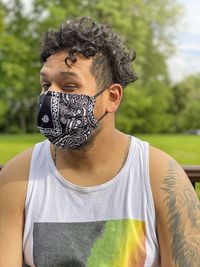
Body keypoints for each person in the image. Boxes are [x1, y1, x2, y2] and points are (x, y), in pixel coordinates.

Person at [0, 16, 199, 267]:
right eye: (45, 85)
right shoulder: (17, 178)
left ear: (112, 97)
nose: (50, 96)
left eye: (69, 86)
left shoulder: (162, 179)